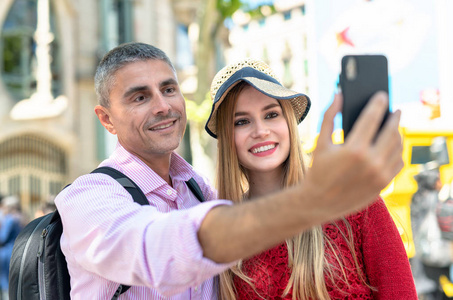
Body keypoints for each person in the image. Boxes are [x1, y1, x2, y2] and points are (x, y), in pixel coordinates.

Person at [54, 42, 404, 299]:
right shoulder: (89, 196)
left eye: (168, 89)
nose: (162, 106)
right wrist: (314, 200)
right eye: (139, 97)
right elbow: (157, 253)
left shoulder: (200, 192)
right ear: (106, 119)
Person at [204, 58, 417, 300]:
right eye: (241, 121)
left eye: (271, 114)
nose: (261, 130)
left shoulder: (355, 201)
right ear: (226, 140)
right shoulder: (222, 233)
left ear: (289, 122)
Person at [0, 195, 24, 300]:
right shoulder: (22, 217)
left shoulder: (10, 219)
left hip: (7, 253)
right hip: (17, 251)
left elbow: (2, 237)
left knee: (6, 283)